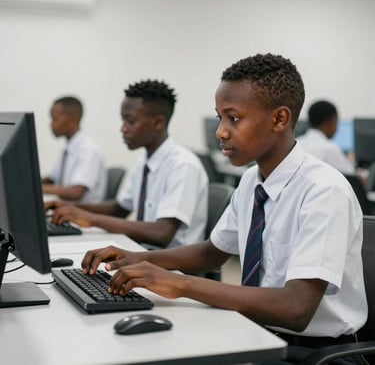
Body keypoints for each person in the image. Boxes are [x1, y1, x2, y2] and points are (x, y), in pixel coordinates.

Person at [80, 55, 367, 364]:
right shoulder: (251, 183)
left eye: (234, 118)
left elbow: (295, 309)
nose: (221, 131)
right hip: (256, 332)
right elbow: (211, 253)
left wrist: (181, 283)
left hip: (317, 353)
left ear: (279, 119)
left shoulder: (323, 191)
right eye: (219, 118)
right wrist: (138, 258)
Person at [46, 80, 208, 249]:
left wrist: (92, 219)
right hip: (145, 252)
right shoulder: (144, 161)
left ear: (158, 123)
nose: (123, 129)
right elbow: (120, 208)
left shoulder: (183, 165)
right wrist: (70, 208)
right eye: (123, 121)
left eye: (130, 121)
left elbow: (161, 233)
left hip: (174, 266)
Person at [42, 96, 107, 203]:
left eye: (55, 119)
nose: (51, 124)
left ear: (73, 120)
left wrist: (37, 188)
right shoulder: (69, 148)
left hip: (83, 214)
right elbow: (52, 179)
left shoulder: (88, 150)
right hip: (67, 209)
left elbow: (75, 192)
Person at [297, 100, 355, 175]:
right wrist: (350, 161)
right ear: (329, 122)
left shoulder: (297, 142)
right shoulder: (329, 148)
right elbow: (351, 174)